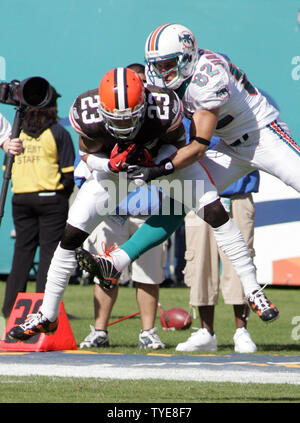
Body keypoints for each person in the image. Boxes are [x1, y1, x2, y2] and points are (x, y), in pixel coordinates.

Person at [8, 66, 277, 342]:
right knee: (71, 234)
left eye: (130, 119)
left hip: (160, 165)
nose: (123, 127)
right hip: (115, 172)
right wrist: (109, 163)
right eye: (117, 120)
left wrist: (158, 163)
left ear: (144, 103)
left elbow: (180, 147)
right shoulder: (87, 112)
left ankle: (252, 288)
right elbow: (87, 154)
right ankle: (47, 314)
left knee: (215, 211)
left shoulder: (163, 107)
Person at [77, 62, 166, 350]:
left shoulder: (157, 120)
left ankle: (148, 332)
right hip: (112, 207)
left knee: (148, 274)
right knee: (106, 272)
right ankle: (100, 330)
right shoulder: (106, 123)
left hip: (148, 207)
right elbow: (87, 158)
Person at [1, 87, 75, 318]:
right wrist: (60, 195)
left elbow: (7, 170)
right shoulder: (58, 133)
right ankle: (44, 311)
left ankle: (11, 309)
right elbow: (68, 174)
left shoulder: (15, 133)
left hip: (21, 198)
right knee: (49, 258)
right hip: (51, 199)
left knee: (21, 254)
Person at [177, 170, 260, 353]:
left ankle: (241, 331)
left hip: (237, 194)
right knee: (199, 262)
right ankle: (206, 332)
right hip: (199, 194)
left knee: (240, 261)